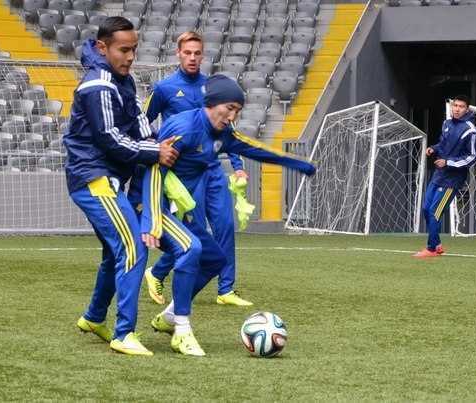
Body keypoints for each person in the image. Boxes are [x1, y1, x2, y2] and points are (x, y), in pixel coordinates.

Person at [139, 74, 316, 355]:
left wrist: (298, 164)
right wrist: (151, 219)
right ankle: (181, 330)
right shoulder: (183, 128)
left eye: (237, 111)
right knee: (191, 249)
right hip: (149, 203)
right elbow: (153, 171)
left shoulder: (222, 134)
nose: (232, 116)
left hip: (176, 207)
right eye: (229, 108)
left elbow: (254, 149)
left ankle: (170, 316)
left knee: (215, 259)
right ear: (211, 103)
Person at [62, 16, 179, 356]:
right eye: (123, 50)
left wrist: (158, 141)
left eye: (134, 50)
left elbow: (141, 124)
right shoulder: (98, 84)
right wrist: (155, 152)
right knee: (133, 248)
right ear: (102, 48)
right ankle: (124, 334)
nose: (130, 57)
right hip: (93, 177)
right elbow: (110, 139)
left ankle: (94, 318)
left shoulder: (124, 81)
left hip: (106, 177)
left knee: (115, 251)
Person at [142, 31, 253, 307]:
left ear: (203, 55)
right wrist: (155, 147)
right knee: (194, 232)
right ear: (178, 54)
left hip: (212, 168)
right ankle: (157, 272)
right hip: (184, 174)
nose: (192, 58)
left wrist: (238, 166)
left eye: (197, 53)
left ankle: (226, 289)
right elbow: (142, 124)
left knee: (225, 225)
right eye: (187, 53)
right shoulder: (163, 88)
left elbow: (227, 128)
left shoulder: (213, 88)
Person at [413, 94, 476, 257]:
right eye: (455, 105)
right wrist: (433, 149)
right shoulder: (447, 123)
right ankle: (437, 245)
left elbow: (471, 157)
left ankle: (431, 249)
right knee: (426, 209)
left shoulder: (470, 130)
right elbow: (443, 145)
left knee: (435, 211)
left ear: (467, 110)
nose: (457, 109)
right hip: (438, 175)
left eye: (461, 107)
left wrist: (448, 162)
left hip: (452, 180)